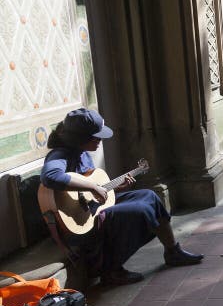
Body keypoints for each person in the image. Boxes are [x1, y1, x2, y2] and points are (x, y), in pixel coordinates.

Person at [40, 108, 203, 285]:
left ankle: (172, 252)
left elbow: (90, 195)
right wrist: (93, 186)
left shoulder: (83, 153)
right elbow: (50, 177)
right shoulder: (59, 155)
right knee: (139, 210)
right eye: (96, 137)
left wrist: (112, 189)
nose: (100, 141)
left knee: (150, 197)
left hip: (92, 210)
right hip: (78, 225)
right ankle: (111, 270)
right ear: (80, 138)